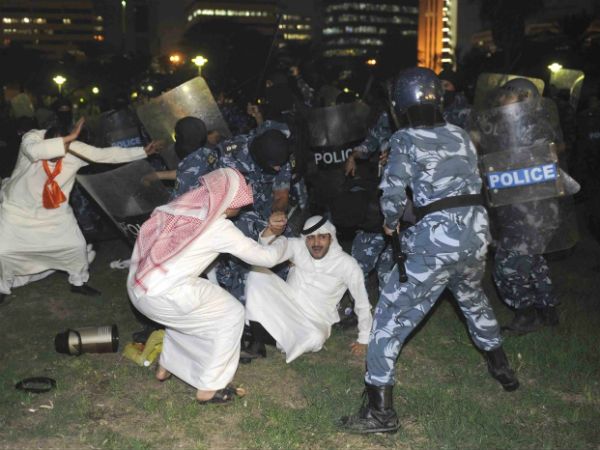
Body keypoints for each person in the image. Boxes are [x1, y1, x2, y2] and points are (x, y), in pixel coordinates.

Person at [340, 68, 519, 434]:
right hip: (475, 234)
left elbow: (392, 190)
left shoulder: (405, 138)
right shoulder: (460, 134)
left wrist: (390, 222)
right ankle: (501, 367)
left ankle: (379, 413)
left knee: (389, 317)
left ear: (400, 104)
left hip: (436, 241)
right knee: (471, 296)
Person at [126, 168, 288, 403]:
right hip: (164, 294)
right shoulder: (219, 227)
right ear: (226, 198)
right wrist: (284, 241)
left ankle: (167, 365)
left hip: (139, 290)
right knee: (232, 314)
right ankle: (210, 388)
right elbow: (267, 259)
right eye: (239, 200)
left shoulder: (186, 205)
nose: (242, 206)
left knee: (189, 316)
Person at [0, 118, 160, 304]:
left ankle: (77, 282)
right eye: (61, 143)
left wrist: (142, 151)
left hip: (54, 212)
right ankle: (2, 286)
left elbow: (105, 155)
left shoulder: (74, 149)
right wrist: (70, 137)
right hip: (16, 208)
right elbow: (35, 151)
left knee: (75, 247)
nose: (60, 152)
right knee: (3, 250)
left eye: (67, 145)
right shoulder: (32, 138)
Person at [245, 215, 373, 362]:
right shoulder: (297, 246)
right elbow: (267, 250)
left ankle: (257, 333)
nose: (316, 243)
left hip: (314, 320)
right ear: (305, 239)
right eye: (311, 238)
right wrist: (271, 230)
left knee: (315, 339)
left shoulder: (347, 264)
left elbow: (362, 302)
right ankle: (258, 340)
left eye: (322, 237)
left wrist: (363, 338)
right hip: (286, 304)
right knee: (256, 274)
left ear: (331, 238)